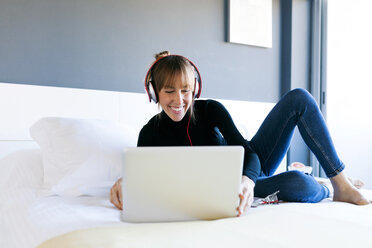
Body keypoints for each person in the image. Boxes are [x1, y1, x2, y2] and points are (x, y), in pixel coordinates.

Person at [110, 51, 370, 216]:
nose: (179, 100)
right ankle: (323, 187)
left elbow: (248, 152)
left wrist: (247, 180)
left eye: (186, 90)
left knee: (299, 98)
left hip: (248, 170)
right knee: (297, 183)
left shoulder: (211, 109)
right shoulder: (149, 133)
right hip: (223, 188)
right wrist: (127, 181)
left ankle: (341, 184)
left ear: (195, 90)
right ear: (154, 92)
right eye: (169, 91)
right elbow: (144, 178)